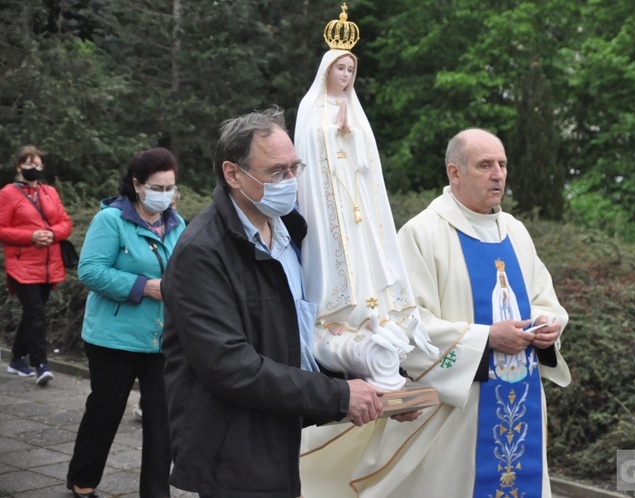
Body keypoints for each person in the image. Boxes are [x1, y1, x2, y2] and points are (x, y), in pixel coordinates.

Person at [299, 128, 571, 497]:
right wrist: (487, 338)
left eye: (503, 165)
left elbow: (544, 299)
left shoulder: (516, 231)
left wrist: (546, 324)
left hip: (520, 397)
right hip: (458, 412)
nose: (498, 174)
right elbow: (408, 323)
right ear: (454, 173)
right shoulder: (422, 234)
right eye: (485, 165)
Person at [160, 107, 384, 498]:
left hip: (284, 432)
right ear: (232, 174)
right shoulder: (202, 252)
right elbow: (231, 366)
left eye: (295, 169)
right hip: (233, 447)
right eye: (276, 172)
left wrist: (377, 385)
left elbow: (298, 342)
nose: (291, 182)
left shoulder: (292, 234)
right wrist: (340, 396)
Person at [294, 5, 436, 393]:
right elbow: (307, 148)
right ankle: (335, 315)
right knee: (335, 252)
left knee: (363, 251)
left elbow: (368, 160)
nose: (345, 75)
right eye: (340, 68)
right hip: (327, 203)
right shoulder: (312, 107)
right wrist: (333, 130)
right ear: (327, 70)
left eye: (350, 70)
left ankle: (372, 312)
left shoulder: (355, 109)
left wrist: (351, 133)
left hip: (356, 200)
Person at [66, 147, 186, 498]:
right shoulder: (111, 220)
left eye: (171, 188)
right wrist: (141, 287)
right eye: (158, 187)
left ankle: (155, 492)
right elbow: (89, 270)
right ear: (137, 184)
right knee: (105, 414)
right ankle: (82, 483)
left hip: (161, 339)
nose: (166, 195)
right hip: (113, 339)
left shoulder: (177, 223)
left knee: (162, 422)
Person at [0, 145, 73, 385]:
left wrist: (51, 233)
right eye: (30, 164)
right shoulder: (8, 194)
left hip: (49, 264)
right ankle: (41, 364)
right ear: (19, 166)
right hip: (21, 265)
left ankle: (17, 359)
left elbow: (65, 222)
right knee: (36, 314)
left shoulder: (50, 192)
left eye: (39, 164)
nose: (35, 168)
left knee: (33, 313)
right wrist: (30, 236)